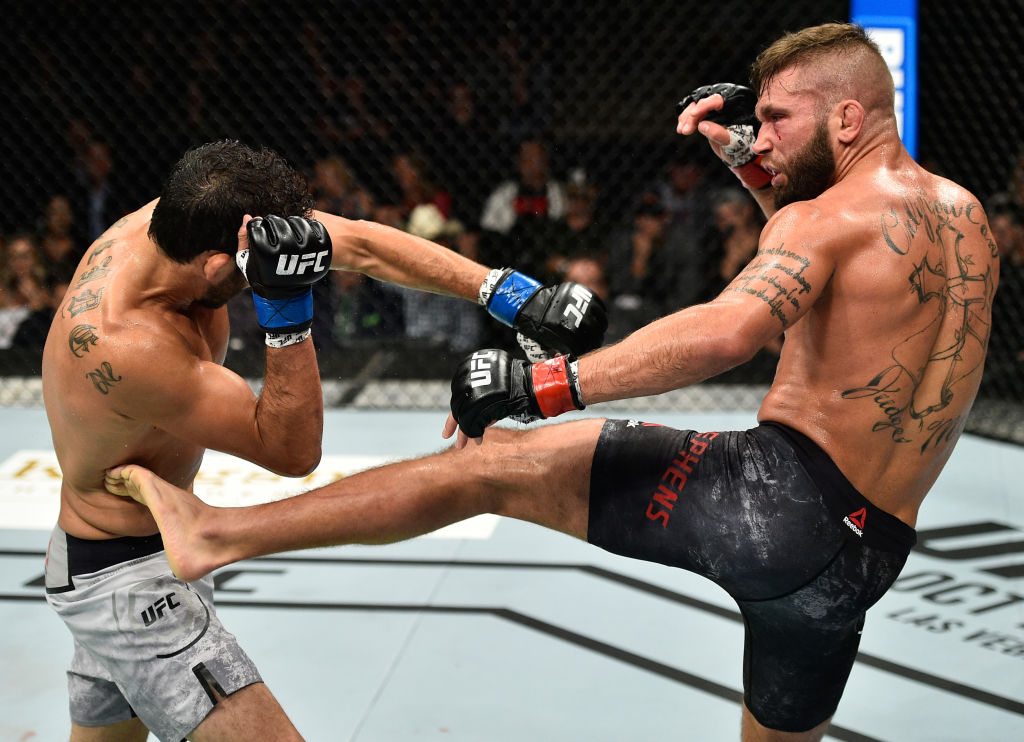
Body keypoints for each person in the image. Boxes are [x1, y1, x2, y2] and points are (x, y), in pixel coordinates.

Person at [102, 25, 998, 741]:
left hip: (777, 503)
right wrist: (753, 168)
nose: (760, 135)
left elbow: (733, 327)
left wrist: (548, 383)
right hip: (864, 552)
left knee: (486, 466)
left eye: (777, 119)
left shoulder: (827, 217)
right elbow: (831, 291)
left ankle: (218, 533)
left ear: (847, 119)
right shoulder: (960, 215)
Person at [42, 139, 606, 742]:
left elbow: (358, 243)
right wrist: (285, 308)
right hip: (125, 578)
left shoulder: (180, 219)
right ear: (217, 264)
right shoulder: (128, 345)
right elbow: (290, 451)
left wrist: (512, 295)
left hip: (129, 550)